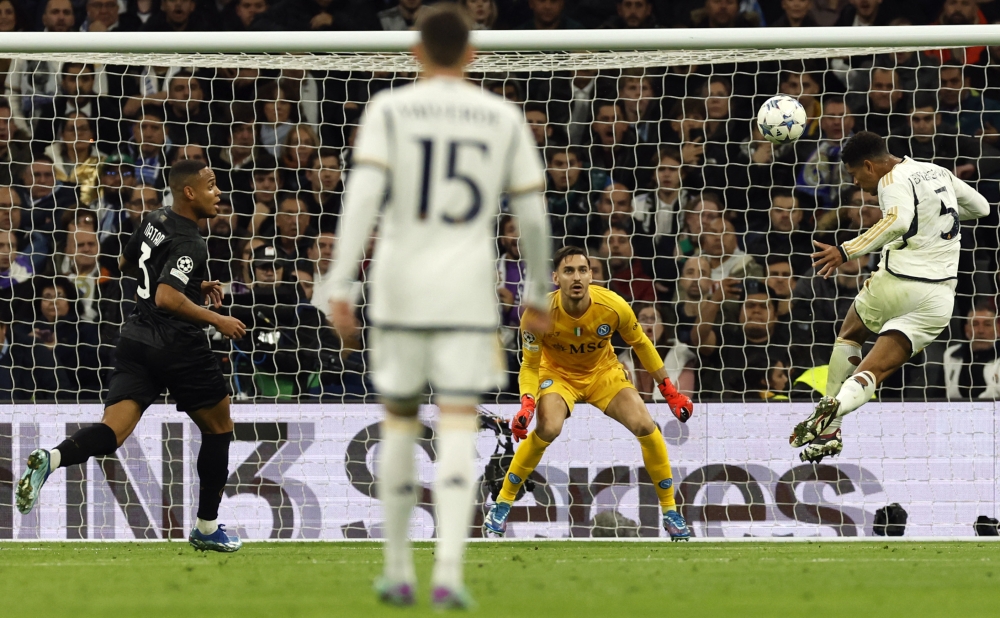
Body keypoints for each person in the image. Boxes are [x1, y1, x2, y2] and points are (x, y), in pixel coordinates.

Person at [322, 6, 551, 609]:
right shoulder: (501, 116)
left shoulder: (389, 110)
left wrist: (341, 282)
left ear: (415, 54)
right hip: (466, 293)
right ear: (472, 54)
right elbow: (530, 213)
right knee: (456, 426)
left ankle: (398, 571)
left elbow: (362, 201)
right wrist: (537, 292)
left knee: (399, 424)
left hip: (399, 288)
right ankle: (448, 573)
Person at [15, 160, 248, 553]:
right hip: (179, 346)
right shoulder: (192, 240)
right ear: (188, 192)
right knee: (219, 428)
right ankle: (207, 528)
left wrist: (194, 282)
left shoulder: (155, 218)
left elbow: (127, 263)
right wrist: (216, 318)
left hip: (135, 339)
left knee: (113, 432)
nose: (218, 192)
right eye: (211, 185)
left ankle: (51, 458)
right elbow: (166, 296)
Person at [793, 131, 990, 462]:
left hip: (898, 283)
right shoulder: (937, 172)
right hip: (939, 297)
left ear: (870, 166)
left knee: (850, 335)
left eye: (856, 176)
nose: (858, 185)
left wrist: (846, 251)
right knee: (874, 371)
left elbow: (898, 221)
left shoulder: (889, 181)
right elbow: (981, 208)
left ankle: (830, 426)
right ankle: (837, 408)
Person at [483, 246, 693, 539]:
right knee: (548, 427)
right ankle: (502, 504)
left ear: (591, 275)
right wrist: (527, 404)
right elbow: (530, 365)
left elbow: (642, 344)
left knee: (647, 426)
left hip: (603, 373)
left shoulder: (613, 305)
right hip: (557, 376)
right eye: (569, 271)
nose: (577, 277)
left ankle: (671, 512)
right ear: (556, 277)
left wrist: (669, 391)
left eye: (583, 270)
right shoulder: (537, 314)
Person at [943, 305, 1000, 399]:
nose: (981, 331)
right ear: (966, 330)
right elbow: (938, 394)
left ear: (998, 329)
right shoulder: (950, 354)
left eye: (987, 324)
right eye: (975, 324)